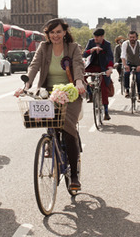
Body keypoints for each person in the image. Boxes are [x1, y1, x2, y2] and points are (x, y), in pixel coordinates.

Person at [14, 18, 86, 190]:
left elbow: (77, 65)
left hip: (70, 92)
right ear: (47, 34)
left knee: (68, 129)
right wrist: (26, 85)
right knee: (38, 114)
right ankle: (50, 140)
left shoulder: (73, 48)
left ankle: (74, 176)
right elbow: (34, 66)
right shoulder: (43, 48)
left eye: (59, 32)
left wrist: (79, 82)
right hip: (47, 91)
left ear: (65, 32)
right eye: (52, 32)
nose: (55, 35)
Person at [83, 28, 114, 120]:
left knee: (103, 87)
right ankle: (90, 92)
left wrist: (110, 69)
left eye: (97, 37)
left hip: (102, 68)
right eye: (94, 37)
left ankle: (106, 111)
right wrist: (92, 50)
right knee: (81, 76)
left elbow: (110, 57)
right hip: (92, 66)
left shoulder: (107, 44)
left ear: (102, 37)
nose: (95, 39)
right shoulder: (91, 42)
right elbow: (84, 54)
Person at [121, 30, 140, 102]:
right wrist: (125, 65)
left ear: (137, 38)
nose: (132, 39)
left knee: (138, 77)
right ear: (128, 38)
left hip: (138, 63)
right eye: (130, 37)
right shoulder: (125, 44)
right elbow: (123, 55)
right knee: (126, 74)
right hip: (129, 62)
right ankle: (127, 90)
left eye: (133, 37)